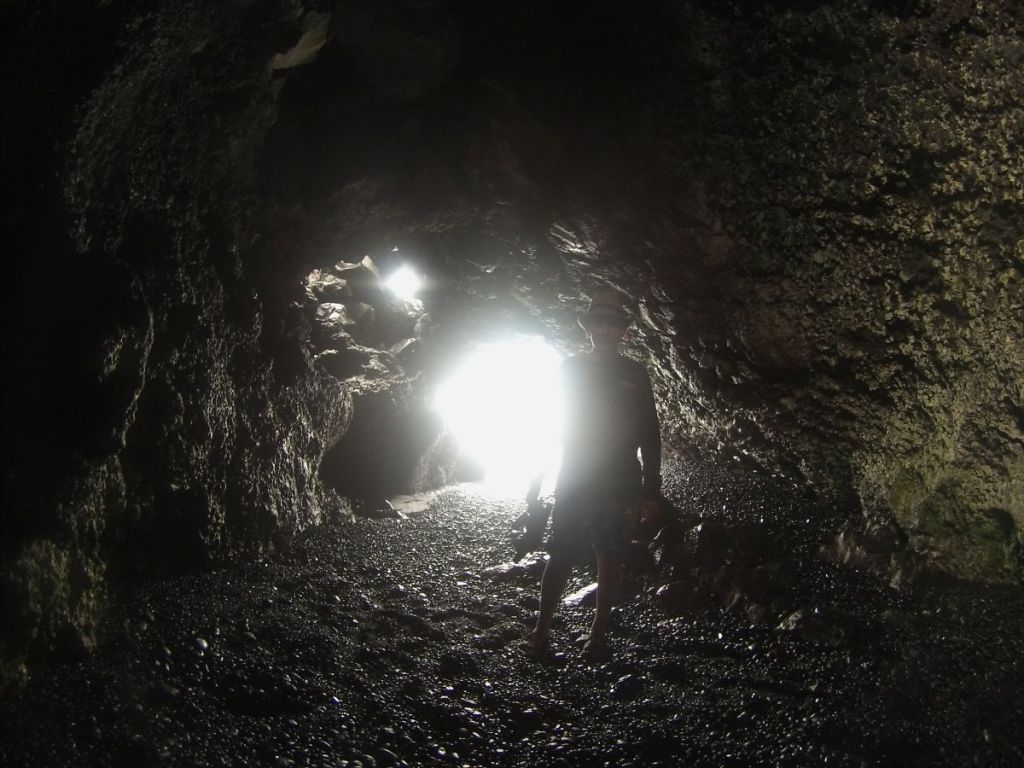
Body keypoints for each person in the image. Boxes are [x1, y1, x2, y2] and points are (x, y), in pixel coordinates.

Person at [522, 289, 662, 659]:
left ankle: (598, 633)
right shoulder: (569, 369)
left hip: (621, 480)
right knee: (561, 552)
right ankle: (541, 631)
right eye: (599, 322)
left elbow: (650, 431)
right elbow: (550, 424)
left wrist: (652, 490)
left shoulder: (635, 373)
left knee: (610, 555)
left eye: (612, 324)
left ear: (623, 332)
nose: (605, 329)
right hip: (574, 478)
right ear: (588, 328)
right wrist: (535, 483)